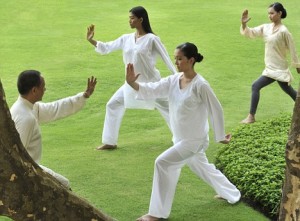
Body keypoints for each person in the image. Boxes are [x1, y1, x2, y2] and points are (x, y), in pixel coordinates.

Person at [126, 42, 241, 221]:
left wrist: (220, 136)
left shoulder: (200, 85)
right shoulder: (174, 80)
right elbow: (153, 89)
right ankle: (232, 193)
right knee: (202, 166)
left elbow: (216, 109)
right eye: (175, 59)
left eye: (180, 59)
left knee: (162, 163)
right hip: (179, 138)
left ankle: (156, 214)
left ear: (191, 60)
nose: (177, 62)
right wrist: (133, 83)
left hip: (193, 140)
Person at [86, 6, 176, 150]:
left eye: (132, 18)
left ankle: (181, 138)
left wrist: (178, 77)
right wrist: (92, 40)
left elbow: (167, 59)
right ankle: (110, 142)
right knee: (113, 104)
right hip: (131, 84)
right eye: (129, 18)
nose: (130, 21)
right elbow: (107, 47)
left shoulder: (152, 39)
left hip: (152, 84)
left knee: (170, 109)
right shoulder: (126, 38)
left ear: (141, 19)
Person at [10, 70, 97, 188]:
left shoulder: (28, 106)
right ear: (34, 90)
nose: (45, 90)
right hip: (29, 171)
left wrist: (84, 96)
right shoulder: (26, 118)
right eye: (43, 87)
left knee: (64, 184)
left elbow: (55, 108)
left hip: (32, 167)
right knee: (64, 186)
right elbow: (18, 156)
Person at [240, 2, 300, 124]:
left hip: (279, 69)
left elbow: (292, 49)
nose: (270, 16)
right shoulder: (266, 27)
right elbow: (251, 32)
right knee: (287, 91)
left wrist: (297, 65)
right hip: (270, 68)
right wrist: (244, 23)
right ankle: (251, 116)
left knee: (257, 86)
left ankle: (251, 117)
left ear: (279, 13)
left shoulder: (284, 32)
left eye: (272, 13)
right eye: (268, 13)